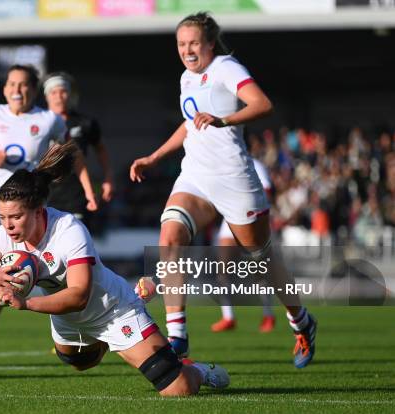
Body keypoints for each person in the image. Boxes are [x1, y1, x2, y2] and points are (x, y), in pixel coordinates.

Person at [0, 141, 229, 396]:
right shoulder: (0, 238)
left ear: (38, 210)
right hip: (66, 317)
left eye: (16, 217)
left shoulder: (68, 230)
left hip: (112, 309)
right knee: (80, 363)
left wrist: (27, 303)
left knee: (177, 389)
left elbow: (79, 296)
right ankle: (108, 344)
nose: (8, 225)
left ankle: (197, 371)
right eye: (2, 217)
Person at [129, 12, 317, 368]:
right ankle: (177, 337)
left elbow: (262, 104)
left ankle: (302, 321)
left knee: (262, 261)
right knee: (169, 238)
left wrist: (223, 120)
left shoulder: (227, 68)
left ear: (210, 44)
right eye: (181, 44)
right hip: (195, 177)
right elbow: (190, 126)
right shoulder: (187, 78)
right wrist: (155, 156)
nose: (187, 50)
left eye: (194, 43)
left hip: (234, 180)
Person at [0, 64, 98, 357]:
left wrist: (89, 191)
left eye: (23, 84)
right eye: (11, 84)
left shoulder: (48, 119)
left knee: (58, 270)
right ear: (4, 90)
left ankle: (88, 325)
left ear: (32, 89)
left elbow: (70, 154)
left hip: (32, 205)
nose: (17, 89)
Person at [211, 158, 275, 333]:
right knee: (222, 269)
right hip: (230, 218)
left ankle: (268, 314)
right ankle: (228, 317)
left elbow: (267, 190)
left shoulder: (254, 164)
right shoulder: (222, 164)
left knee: (257, 270)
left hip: (251, 217)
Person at [43, 71, 114, 227]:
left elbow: (100, 149)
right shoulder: (38, 123)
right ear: (47, 96)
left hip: (76, 192)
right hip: (45, 193)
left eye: (63, 91)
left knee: (76, 238)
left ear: (69, 94)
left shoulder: (85, 123)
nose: (59, 96)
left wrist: (108, 178)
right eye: (53, 92)